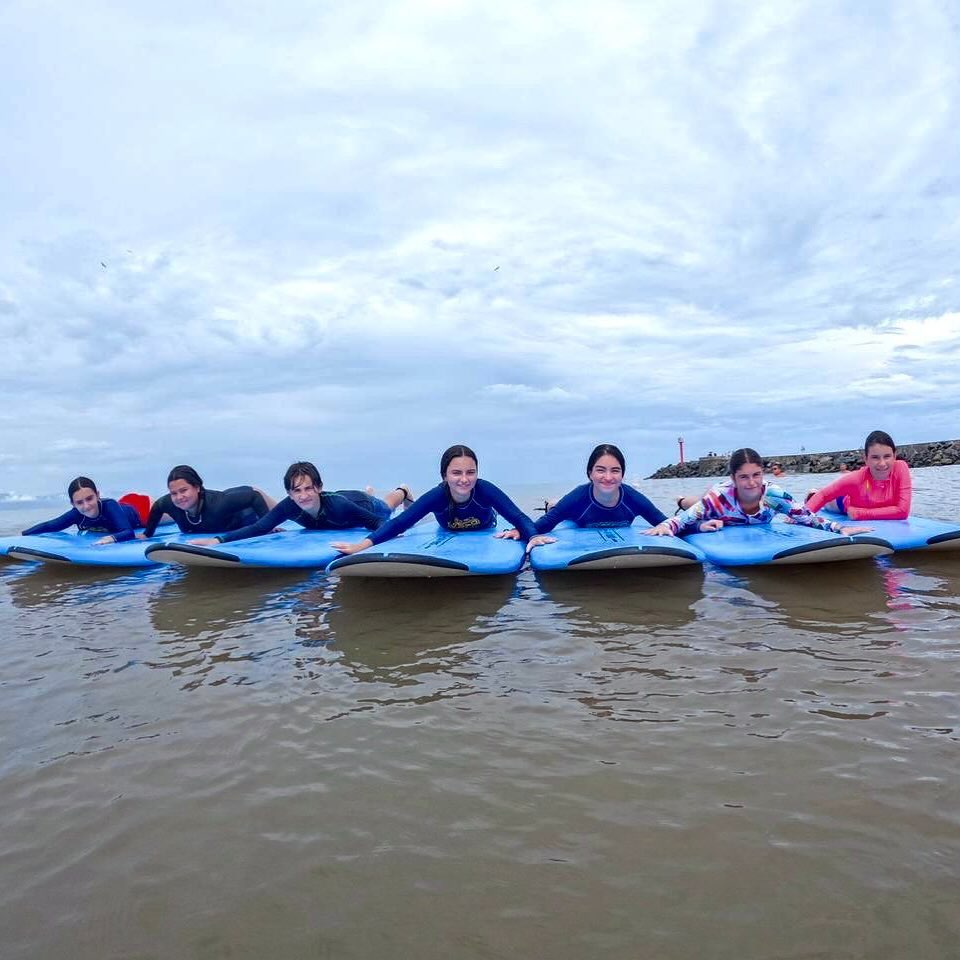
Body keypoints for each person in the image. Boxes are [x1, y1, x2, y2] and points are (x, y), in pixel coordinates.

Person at [332, 444, 539, 555]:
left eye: (471, 472)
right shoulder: (437, 495)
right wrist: (361, 546)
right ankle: (404, 493)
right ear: (444, 475)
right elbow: (399, 523)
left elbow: (518, 516)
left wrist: (530, 535)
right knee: (411, 518)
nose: (465, 479)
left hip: (485, 527)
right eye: (456, 473)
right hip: (445, 528)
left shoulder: (485, 490)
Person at [644, 448, 873, 538]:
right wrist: (665, 527)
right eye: (743, 477)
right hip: (718, 509)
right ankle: (681, 499)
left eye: (756, 475)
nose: (752, 482)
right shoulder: (720, 497)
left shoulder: (773, 494)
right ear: (733, 478)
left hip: (738, 515)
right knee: (694, 506)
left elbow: (806, 516)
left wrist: (840, 528)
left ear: (762, 474)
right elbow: (680, 522)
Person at [187, 462, 413, 545]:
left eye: (308, 488)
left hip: (359, 503)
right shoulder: (289, 506)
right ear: (289, 493)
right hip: (343, 501)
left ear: (318, 487)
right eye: (297, 491)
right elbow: (259, 527)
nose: (303, 495)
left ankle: (402, 490)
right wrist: (218, 540)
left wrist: (391, 531)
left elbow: (376, 520)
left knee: (385, 506)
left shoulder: (338, 506)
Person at [525, 443, 668, 551]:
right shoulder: (578, 498)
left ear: (622, 475)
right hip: (570, 513)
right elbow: (541, 526)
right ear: (590, 474)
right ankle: (551, 503)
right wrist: (521, 533)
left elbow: (666, 522)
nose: (608, 477)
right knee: (556, 507)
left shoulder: (633, 498)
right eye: (600, 470)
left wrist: (664, 526)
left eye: (615, 471)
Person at [140, 465, 277, 538]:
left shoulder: (218, 505)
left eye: (184, 490)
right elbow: (157, 507)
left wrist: (267, 526)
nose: (179, 497)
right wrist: (147, 534)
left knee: (280, 511)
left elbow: (254, 496)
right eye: (174, 493)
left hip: (246, 511)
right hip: (227, 499)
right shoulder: (169, 503)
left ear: (197, 487)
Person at [804, 430, 911, 520]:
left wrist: (861, 513)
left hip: (860, 507)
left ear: (894, 456)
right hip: (845, 501)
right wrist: (801, 516)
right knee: (827, 502)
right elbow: (824, 495)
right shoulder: (856, 479)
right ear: (866, 459)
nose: (882, 463)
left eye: (887, 456)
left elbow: (903, 512)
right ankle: (812, 495)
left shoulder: (901, 468)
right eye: (875, 457)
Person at [22, 477, 146, 545]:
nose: (86, 506)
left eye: (89, 498)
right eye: (79, 502)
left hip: (141, 510)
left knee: (164, 517)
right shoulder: (76, 514)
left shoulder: (110, 506)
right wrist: (24, 534)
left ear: (97, 495)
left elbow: (128, 532)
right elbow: (50, 525)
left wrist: (109, 539)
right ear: (73, 504)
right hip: (122, 506)